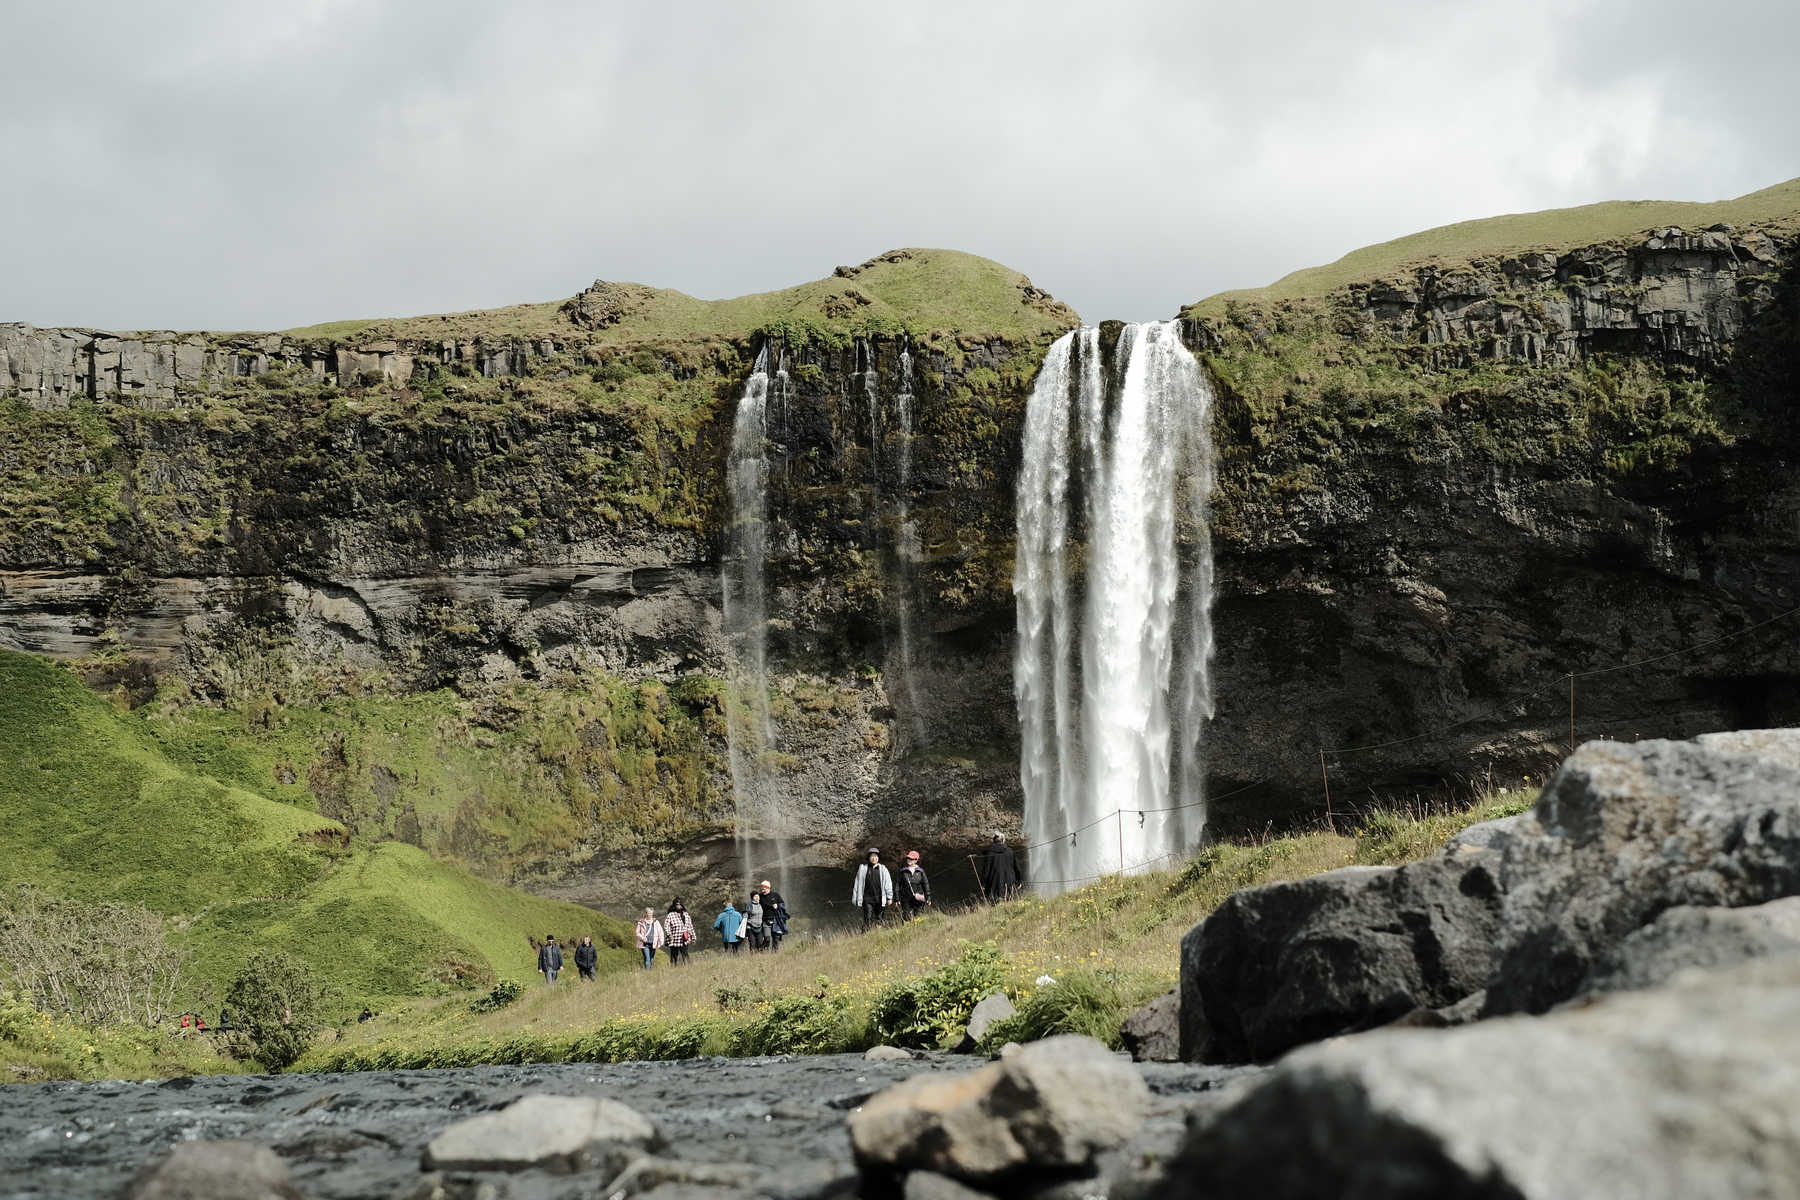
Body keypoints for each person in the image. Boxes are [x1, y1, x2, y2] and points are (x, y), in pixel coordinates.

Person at [852, 848, 893, 930]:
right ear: (868, 858)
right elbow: (857, 884)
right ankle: (865, 934)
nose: (874, 858)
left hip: (880, 899)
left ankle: (878, 934)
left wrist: (889, 897)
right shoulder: (863, 868)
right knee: (868, 918)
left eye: (876, 856)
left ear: (878, 858)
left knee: (879, 918)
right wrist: (855, 898)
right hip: (867, 899)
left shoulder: (883, 869)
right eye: (872, 856)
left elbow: (888, 884)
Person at [979, 833, 1021, 901]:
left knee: (994, 903)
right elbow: (1016, 868)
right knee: (1008, 902)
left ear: (993, 841)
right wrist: (1018, 881)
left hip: (993, 884)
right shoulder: (1010, 851)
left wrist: (983, 883)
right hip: (1008, 883)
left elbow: (986, 870)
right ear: (1003, 840)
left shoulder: (989, 853)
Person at [898, 850, 932, 920]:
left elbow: (926, 884)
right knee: (906, 917)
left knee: (918, 917)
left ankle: (918, 927)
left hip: (919, 898)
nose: (909, 860)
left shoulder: (921, 871)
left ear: (916, 860)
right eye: (908, 858)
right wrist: (897, 898)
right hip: (906, 899)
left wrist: (928, 897)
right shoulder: (903, 871)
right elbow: (897, 885)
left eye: (911, 859)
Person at [757, 881, 789, 952]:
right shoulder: (760, 896)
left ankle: (775, 953)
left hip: (775, 920)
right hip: (765, 920)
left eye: (763, 888)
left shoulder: (775, 895)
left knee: (776, 938)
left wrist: (777, 906)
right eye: (762, 888)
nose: (762, 889)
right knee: (767, 938)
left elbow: (783, 905)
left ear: (768, 888)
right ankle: (762, 952)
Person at [664, 899, 695, 965]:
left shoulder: (686, 914)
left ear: (682, 905)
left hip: (685, 938)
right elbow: (666, 926)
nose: (678, 906)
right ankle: (674, 967)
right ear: (674, 906)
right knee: (674, 956)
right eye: (677, 904)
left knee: (685, 954)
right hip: (674, 939)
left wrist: (693, 937)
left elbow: (690, 926)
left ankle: (688, 967)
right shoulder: (670, 915)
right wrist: (669, 935)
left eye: (679, 904)